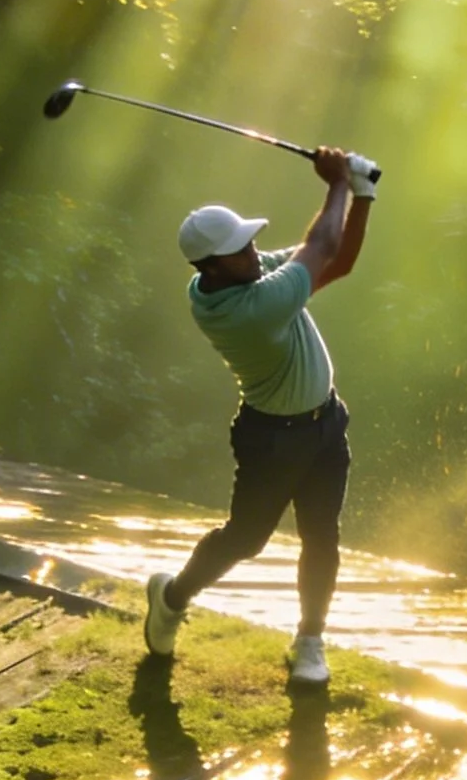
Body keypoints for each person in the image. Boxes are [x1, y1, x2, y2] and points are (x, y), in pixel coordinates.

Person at [146, 145, 377, 684]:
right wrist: (337, 182)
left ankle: (310, 640)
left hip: (325, 425)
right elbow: (320, 244)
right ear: (209, 266)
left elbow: (335, 261)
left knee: (322, 536)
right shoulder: (246, 309)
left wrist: (361, 195)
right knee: (246, 540)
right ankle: (172, 596)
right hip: (272, 440)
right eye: (237, 249)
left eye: (247, 241)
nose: (252, 251)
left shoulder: (239, 277)